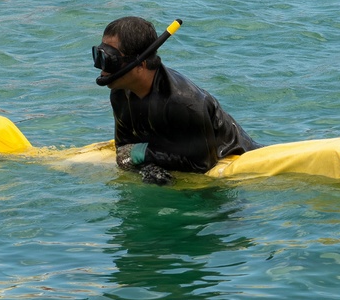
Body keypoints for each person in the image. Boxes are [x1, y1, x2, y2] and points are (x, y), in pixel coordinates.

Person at [92, 16, 260, 184]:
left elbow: (201, 164)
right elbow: (123, 149)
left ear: (140, 65)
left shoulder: (183, 102)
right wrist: (148, 167)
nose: (102, 71)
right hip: (180, 151)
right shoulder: (120, 94)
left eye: (110, 60)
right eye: (99, 56)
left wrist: (145, 153)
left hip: (233, 158)